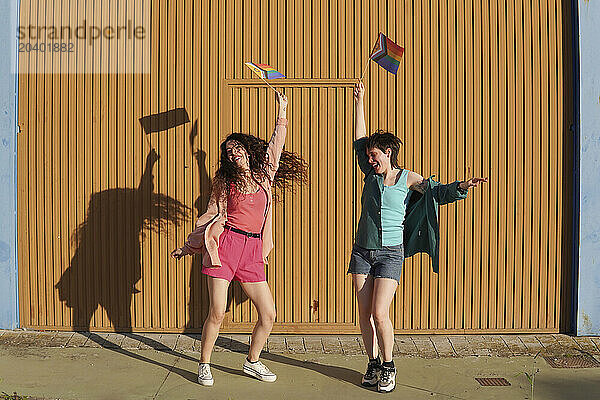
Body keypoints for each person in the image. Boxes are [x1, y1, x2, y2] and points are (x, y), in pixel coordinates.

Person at [349, 82, 487, 393]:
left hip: (390, 253)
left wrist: (462, 186)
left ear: (388, 153)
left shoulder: (407, 178)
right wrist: (359, 102)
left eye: (375, 155)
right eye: (368, 156)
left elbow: (436, 192)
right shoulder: (370, 175)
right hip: (362, 251)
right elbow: (359, 141)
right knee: (363, 314)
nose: (370, 160)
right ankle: (371, 364)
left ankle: (388, 365)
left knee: (379, 313)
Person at [171, 91, 308, 386]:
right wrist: (189, 246)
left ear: (247, 150)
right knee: (217, 312)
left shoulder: (264, 174)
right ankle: (204, 364)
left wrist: (282, 109)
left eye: (237, 149)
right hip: (227, 246)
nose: (233, 154)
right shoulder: (224, 181)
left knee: (269, 314)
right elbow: (210, 214)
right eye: (229, 152)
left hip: (253, 250)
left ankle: (252, 362)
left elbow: (276, 146)